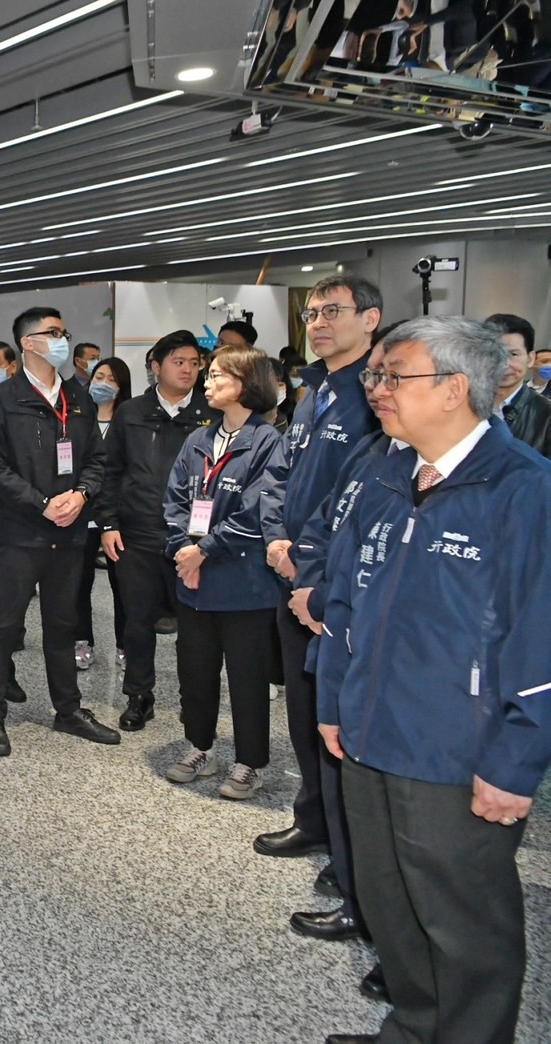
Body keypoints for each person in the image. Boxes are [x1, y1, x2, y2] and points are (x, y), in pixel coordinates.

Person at [317, 316, 551, 1044]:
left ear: (455, 388)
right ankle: (416, 1027)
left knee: (463, 924)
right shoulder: (390, 474)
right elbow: (345, 600)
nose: (377, 389)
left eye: (395, 376)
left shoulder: (523, 490)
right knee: (388, 903)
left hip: (457, 752)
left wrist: (514, 764)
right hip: (368, 731)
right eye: (376, 376)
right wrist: (334, 701)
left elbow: (541, 640)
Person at [260, 275, 383, 949]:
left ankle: (353, 859)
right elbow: (285, 474)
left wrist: (307, 565)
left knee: (340, 725)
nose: (318, 322)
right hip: (292, 567)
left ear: (372, 318)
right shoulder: (315, 391)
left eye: (332, 311)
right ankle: (314, 818)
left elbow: (360, 503)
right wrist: (278, 537)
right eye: (311, 312)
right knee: (306, 713)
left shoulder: (374, 393)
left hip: (331, 580)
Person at [0, 306, 119, 757]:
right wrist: (41, 504)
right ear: (28, 343)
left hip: (70, 530)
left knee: (63, 623)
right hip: (19, 532)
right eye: (52, 333)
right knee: (4, 627)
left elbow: (97, 458)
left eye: (63, 331)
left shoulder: (77, 398)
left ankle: (68, 710)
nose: (60, 339)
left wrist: (80, 495)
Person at [162, 346, 286, 799]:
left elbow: (259, 508)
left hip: (242, 582)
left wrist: (206, 550)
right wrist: (182, 550)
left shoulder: (269, 441)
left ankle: (250, 761)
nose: (206, 381)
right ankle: (200, 746)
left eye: (217, 375)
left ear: (247, 383)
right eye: (207, 374)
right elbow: (175, 499)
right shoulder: (198, 440)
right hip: (194, 580)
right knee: (195, 670)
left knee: (247, 676)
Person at [94, 331, 218, 732]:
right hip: (138, 534)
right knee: (137, 621)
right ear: (155, 366)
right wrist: (108, 524)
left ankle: (193, 702)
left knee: (195, 629)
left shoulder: (211, 413)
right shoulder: (131, 412)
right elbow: (110, 472)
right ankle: (138, 696)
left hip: (194, 541)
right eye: (178, 361)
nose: (188, 369)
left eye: (194, 363)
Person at [78, 358, 130, 672]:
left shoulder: (128, 419)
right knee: (78, 583)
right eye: (99, 376)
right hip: (81, 514)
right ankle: (82, 640)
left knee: (122, 585)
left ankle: (125, 644)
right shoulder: (79, 417)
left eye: (111, 378)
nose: (103, 382)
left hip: (118, 516)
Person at [484, 313, 551, 458]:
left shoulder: (546, 416)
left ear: (530, 358)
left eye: (513, 354)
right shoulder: (462, 406)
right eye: (494, 354)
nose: (503, 364)